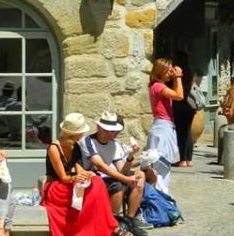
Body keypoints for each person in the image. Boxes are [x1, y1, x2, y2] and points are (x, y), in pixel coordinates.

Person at [40, 113, 118, 236]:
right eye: (81, 132)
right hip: (56, 186)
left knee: (97, 182)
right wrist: (76, 178)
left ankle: (105, 226)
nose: (83, 134)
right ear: (73, 133)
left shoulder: (75, 146)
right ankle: (102, 227)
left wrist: (86, 174)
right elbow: (63, 177)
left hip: (70, 181)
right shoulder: (54, 148)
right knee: (91, 190)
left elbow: (79, 168)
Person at [79, 111, 147, 230]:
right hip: (93, 176)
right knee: (117, 185)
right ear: (99, 127)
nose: (109, 134)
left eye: (112, 131)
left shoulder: (113, 144)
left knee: (140, 175)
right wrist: (126, 179)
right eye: (106, 130)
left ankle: (129, 220)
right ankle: (113, 221)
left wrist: (130, 157)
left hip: (110, 175)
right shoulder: (88, 141)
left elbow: (122, 170)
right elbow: (99, 165)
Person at [146, 58, 182, 193]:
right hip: (162, 128)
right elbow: (179, 96)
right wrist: (178, 77)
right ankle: (160, 195)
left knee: (162, 166)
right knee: (161, 166)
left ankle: (160, 195)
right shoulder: (159, 87)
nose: (170, 73)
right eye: (168, 70)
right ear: (161, 72)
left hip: (164, 126)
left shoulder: (157, 86)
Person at [172, 51, 198, 168]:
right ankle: (189, 159)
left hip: (179, 105)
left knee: (181, 133)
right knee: (188, 132)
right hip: (190, 106)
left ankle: (183, 159)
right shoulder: (190, 72)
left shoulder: (177, 73)